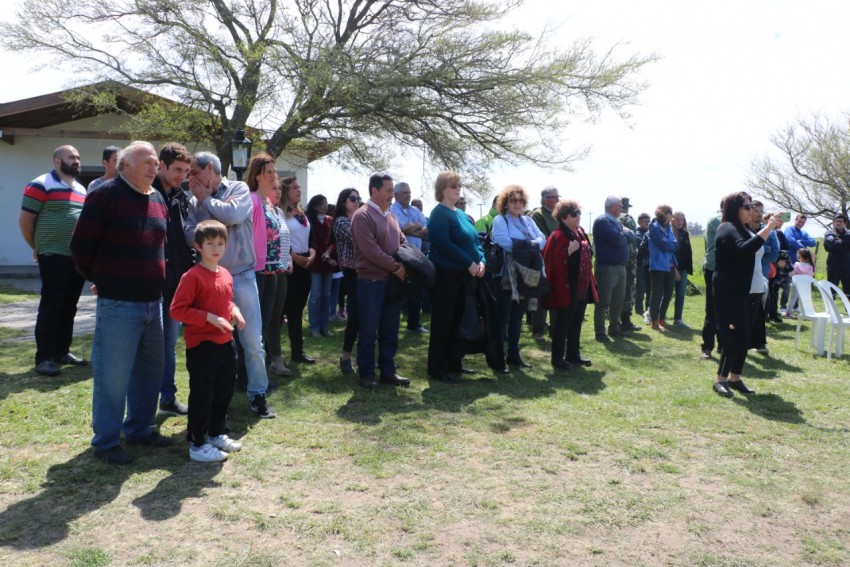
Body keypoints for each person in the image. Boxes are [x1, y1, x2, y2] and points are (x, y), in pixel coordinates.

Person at [70, 141, 173, 465]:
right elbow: (80, 246)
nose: (154, 167)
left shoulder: (157, 198)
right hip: (118, 303)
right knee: (113, 377)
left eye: (156, 162)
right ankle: (106, 441)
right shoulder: (105, 195)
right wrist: (104, 278)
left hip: (152, 303)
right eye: (147, 162)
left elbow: (161, 246)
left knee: (149, 373)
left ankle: (140, 428)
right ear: (125, 165)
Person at [184, 152, 275, 419]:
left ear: (209, 169)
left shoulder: (239, 188)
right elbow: (190, 234)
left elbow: (234, 215)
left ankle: (258, 395)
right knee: (211, 342)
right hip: (209, 279)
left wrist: (207, 203)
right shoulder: (193, 200)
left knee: (252, 341)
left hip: (242, 275)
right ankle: (213, 396)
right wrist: (215, 219)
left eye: (194, 172)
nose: (191, 178)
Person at [170, 220, 245, 462]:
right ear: (198, 246)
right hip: (202, 346)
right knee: (203, 394)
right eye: (210, 243)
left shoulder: (225, 273)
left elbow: (227, 300)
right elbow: (177, 310)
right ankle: (197, 443)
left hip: (226, 342)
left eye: (220, 243)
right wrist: (209, 318)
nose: (216, 248)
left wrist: (234, 311)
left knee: (224, 389)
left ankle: (216, 432)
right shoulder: (191, 276)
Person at [19, 145, 88, 377]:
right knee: (52, 306)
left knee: (69, 305)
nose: (77, 161)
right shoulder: (40, 184)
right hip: (52, 254)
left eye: (78, 157)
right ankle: (44, 357)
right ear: (57, 161)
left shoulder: (80, 189)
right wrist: (37, 247)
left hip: (75, 258)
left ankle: (62, 351)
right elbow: (25, 221)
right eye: (71, 157)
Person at [712, 192, 784, 398]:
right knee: (734, 336)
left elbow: (756, 248)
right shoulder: (727, 228)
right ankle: (720, 380)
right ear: (735, 209)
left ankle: (735, 378)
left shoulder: (744, 229)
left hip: (746, 290)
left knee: (744, 336)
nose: (751, 210)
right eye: (746, 206)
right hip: (729, 291)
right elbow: (744, 250)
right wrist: (769, 228)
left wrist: (768, 226)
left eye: (752, 206)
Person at [350, 172, 410, 389]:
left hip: (392, 282)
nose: (392, 195)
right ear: (374, 191)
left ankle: (388, 371)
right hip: (371, 282)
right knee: (368, 328)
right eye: (388, 191)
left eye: (393, 190)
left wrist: (406, 264)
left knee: (390, 328)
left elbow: (402, 243)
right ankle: (366, 373)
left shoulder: (391, 217)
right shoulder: (362, 216)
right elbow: (370, 251)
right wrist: (396, 267)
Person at [426, 171, 486, 382]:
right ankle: (438, 368)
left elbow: (476, 241)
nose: (458, 188)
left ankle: (454, 362)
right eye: (453, 186)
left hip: (466, 276)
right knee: (444, 320)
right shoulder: (439, 213)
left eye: (459, 185)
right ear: (442, 189)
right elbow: (443, 243)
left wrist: (481, 261)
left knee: (460, 319)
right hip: (447, 275)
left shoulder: (461, 214)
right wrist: (467, 262)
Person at [152, 142, 194, 417]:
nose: (182, 175)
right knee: (149, 346)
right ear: (162, 166)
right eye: (177, 169)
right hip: (151, 281)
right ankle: (141, 406)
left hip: (176, 281)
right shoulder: (148, 192)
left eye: (186, 171)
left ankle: (167, 397)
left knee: (168, 343)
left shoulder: (182, 198)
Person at [245, 153, 291, 378]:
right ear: (258, 176)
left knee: (265, 325)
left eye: (275, 171)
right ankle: (250, 375)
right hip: (257, 271)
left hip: (272, 271)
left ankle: (260, 374)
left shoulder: (268, 203)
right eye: (269, 172)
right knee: (255, 327)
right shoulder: (252, 200)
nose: (274, 176)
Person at [492, 184, 546, 367]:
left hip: (527, 275)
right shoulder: (501, 220)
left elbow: (542, 239)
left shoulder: (529, 221)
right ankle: (498, 357)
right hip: (507, 275)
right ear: (505, 203)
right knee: (502, 317)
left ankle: (513, 355)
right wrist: (530, 246)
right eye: (513, 200)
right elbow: (504, 242)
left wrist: (527, 246)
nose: (517, 204)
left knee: (517, 317)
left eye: (520, 200)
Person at [542, 199, 597, 369]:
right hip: (565, 287)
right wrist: (567, 251)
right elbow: (549, 261)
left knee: (577, 321)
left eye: (579, 213)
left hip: (580, 287)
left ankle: (573, 355)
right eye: (574, 214)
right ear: (564, 217)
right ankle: (557, 358)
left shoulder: (579, 232)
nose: (578, 217)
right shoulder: (558, 235)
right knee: (562, 323)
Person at [281, 176, 317, 365]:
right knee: (280, 312)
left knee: (296, 312)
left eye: (300, 187)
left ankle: (297, 352)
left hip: (305, 266)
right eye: (295, 187)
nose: (299, 190)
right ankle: (273, 355)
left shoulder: (302, 213)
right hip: (289, 266)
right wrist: (293, 255)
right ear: (285, 190)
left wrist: (311, 254)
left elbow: (312, 238)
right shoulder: (281, 213)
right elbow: (279, 238)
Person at [592, 195, 637, 341]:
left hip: (620, 268)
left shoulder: (616, 222)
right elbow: (619, 240)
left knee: (618, 300)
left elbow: (632, 235)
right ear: (612, 207)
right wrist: (624, 235)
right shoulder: (602, 221)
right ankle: (600, 332)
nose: (622, 208)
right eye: (619, 206)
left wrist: (623, 234)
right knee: (603, 301)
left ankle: (614, 328)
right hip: (607, 267)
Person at [390, 181, 429, 334]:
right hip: (401, 256)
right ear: (396, 194)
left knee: (417, 290)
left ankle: (414, 324)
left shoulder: (414, 210)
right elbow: (399, 229)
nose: (408, 195)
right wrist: (415, 227)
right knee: (399, 291)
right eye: (404, 193)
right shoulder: (392, 210)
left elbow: (426, 230)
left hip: (417, 256)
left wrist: (410, 229)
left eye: (409, 192)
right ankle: (392, 325)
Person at [265, 178, 293, 377]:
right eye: (273, 188)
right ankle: (274, 358)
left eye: (279, 189)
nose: (278, 192)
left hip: (282, 270)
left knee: (277, 316)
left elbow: (283, 239)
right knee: (269, 318)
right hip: (266, 271)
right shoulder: (260, 209)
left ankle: (274, 358)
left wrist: (289, 258)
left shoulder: (279, 211)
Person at [333, 188, 362, 374]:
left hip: (366, 271)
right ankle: (345, 355)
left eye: (358, 198)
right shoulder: (341, 222)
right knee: (356, 316)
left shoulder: (360, 220)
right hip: (352, 272)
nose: (356, 201)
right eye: (352, 198)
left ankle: (363, 357)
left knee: (366, 316)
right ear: (344, 201)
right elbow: (359, 239)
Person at [530, 186, 560, 340]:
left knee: (555, 296)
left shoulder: (558, 215)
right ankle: (538, 331)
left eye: (558, 197)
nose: (557, 200)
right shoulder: (538, 215)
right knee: (542, 297)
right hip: (543, 262)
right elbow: (544, 238)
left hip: (558, 263)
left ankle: (555, 331)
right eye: (554, 197)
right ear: (544, 199)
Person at [749, 201, 778, 355]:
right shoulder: (743, 230)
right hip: (744, 276)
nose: (760, 214)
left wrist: (757, 257)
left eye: (762, 211)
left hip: (762, 274)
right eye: (756, 210)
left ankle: (760, 343)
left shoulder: (769, 232)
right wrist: (762, 249)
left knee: (760, 310)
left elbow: (774, 253)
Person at [306, 194, 336, 338]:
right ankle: (315, 327)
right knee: (315, 296)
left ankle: (325, 326)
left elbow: (333, 240)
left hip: (328, 263)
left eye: (326, 203)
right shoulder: (309, 221)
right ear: (314, 205)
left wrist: (329, 252)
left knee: (326, 295)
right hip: (315, 263)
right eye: (321, 203)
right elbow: (312, 242)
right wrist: (322, 255)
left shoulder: (330, 220)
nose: (325, 205)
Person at [647, 205, 679, 330]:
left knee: (669, 293)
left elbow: (676, 245)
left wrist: (670, 244)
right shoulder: (654, 228)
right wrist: (670, 244)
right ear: (665, 214)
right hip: (658, 265)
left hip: (670, 265)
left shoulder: (668, 228)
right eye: (671, 213)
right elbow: (663, 245)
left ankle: (662, 318)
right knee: (656, 294)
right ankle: (654, 320)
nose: (672, 215)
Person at [700, 206, 722, 359]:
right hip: (714, 268)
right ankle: (707, 346)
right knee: (713, 308)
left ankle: (723, 344)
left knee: (727, 309)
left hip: (728, 269)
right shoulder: (717, 219)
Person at [618, 197, 642, 332]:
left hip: (615, 260)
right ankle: (625, 321)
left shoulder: (609, 219)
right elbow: (632, 238)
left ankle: (614, 320)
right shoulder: (628, 218)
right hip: (629, 260)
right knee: (628, 290)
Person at [671, 210, 693, 328]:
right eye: (677, 219)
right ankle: (658, 318)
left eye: (682, 219)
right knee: (666, 294)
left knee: (680, 294)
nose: (680, 222)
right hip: (671, 268)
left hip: (683, 268)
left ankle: (678, 319)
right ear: (672, 220)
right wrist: (674, 269)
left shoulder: (685, 234)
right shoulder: (669, 232)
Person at [783, 249, 816, 317]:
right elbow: (812, 274)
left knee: (793, 298)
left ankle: (788, 313)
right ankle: (806, 312)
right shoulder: (811, 266)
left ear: (801, 257)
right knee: (805, 299)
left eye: (798, 257)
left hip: (797, 284)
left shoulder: (797, 265)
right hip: (806, 285)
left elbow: (791, 274)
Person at [824, 213, 850, 293]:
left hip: (848, 266)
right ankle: (830, 305)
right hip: (834, 267)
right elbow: (832, 244)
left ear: (845, 223)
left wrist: (841, 241)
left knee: (848, 290)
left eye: (841, 221)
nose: (838, 223)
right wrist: (846, 245)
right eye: (836, 221)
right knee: (832, 289)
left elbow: (837, 245)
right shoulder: (829, 233)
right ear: (833, 222)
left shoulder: (849, 233)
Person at [634, 212, 651, 317]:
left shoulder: (650, 232)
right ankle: (639, 309)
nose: (647, 223)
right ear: (639, 222)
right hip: (640, 263)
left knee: (649, 288)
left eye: (649, 221)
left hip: (649, 263)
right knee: (640, 287)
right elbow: (640, 243)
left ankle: (648, 308)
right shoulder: (637, 233)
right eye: (645, 221)